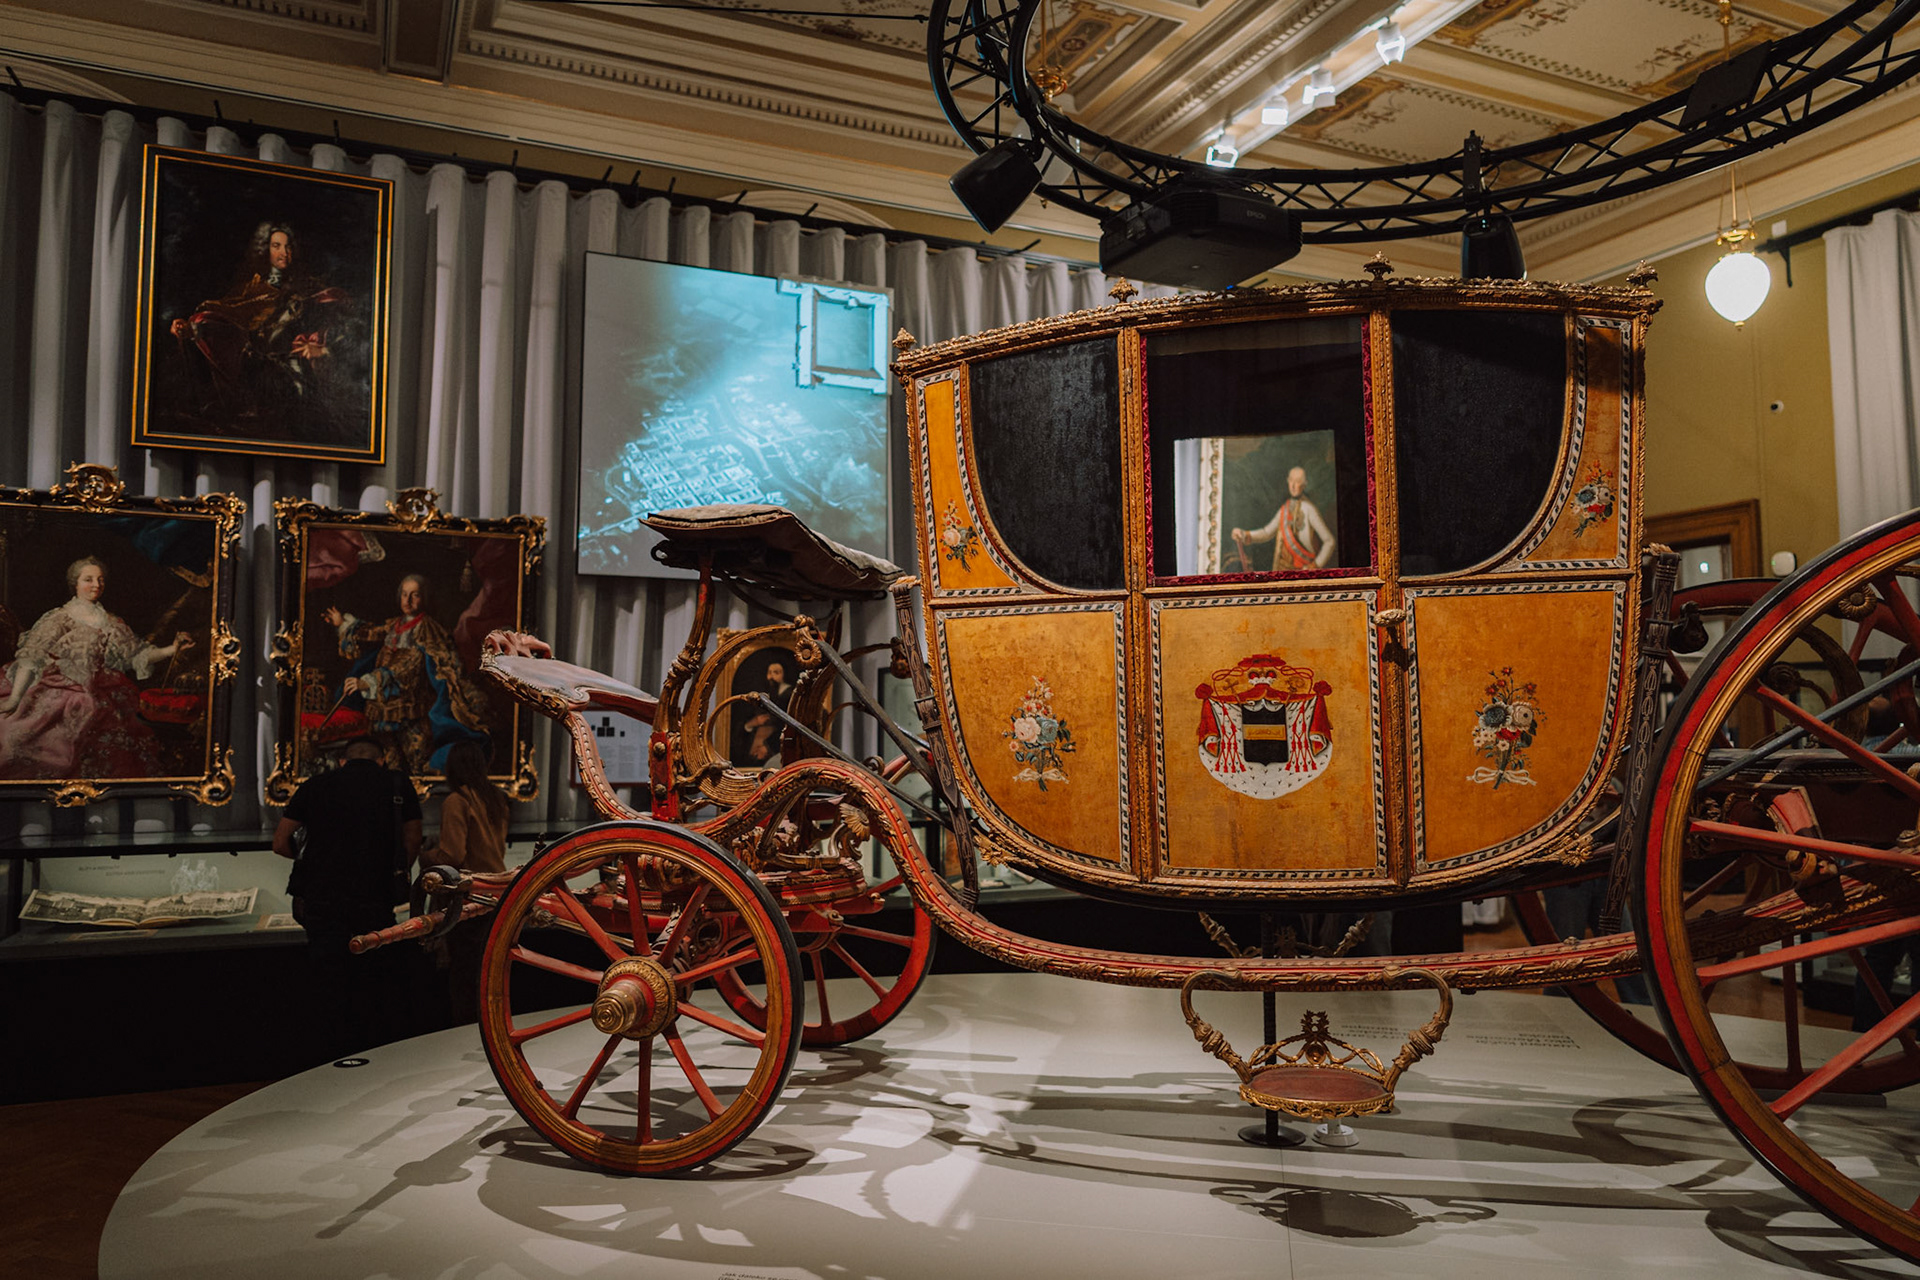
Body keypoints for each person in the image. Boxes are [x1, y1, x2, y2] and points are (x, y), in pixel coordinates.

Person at [274, 735, 423, 1060]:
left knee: (327, 981)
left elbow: (281, 841)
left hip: (322, 902)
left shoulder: (315, 785)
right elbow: (413, 839)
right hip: (375, 899)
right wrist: (396, 871)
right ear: (382, 760)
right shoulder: (397, 785)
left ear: (342, 761)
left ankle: (328, 1055)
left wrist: (315, 863)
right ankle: (371, 1054)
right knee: (373, 979)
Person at [0, 556, 194, 779]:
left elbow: (137, 655)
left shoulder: (111, 622)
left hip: (99, 690)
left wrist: (172, 648)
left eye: (100, 580)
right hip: (58, 687)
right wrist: (15, 698)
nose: (96, 585)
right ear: (75, 583)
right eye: (88, 579)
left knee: (103, 722)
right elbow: (31, 659)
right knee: (22, 737)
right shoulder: (59, 618)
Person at [168, 220, 347, 423]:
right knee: (203, 323)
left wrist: (322, 347)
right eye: (276, 246)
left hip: (286, 358)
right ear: (265, 249)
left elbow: (334, 313)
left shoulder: (307, 286)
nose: (284, 253)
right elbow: (226, 310)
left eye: (288, 246)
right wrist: (188, 326)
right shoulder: (254, 287)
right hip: (251, 355)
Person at [324, 572, 492, 776]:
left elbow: (408, 667)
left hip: (411, 713)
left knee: (418, 766)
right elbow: (371, 632)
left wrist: (369, 682)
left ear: (425, 598)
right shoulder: (395, 625)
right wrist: (343, 623)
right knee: (389, 767)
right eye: (404, 594)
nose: (408, 600)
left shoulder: (428, 630)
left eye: (415, 595)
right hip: (382, 712)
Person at [426, 740, 512, 1024]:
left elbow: (452, 856)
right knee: (487, 976)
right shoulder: (495, 798)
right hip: (497, 896)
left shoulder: (456, 800)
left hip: (469, 899)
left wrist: (425, 855)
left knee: (464, 977)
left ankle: (464, 1033)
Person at [1234, 466, 1336, 571]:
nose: (1293, 486)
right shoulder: (1285, 508)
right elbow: (1267, 532)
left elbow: (1330, 541)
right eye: (1291, 480)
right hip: (1282, 570)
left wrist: (1315, 565)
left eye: (1297, 481)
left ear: (1304, 485)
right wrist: (1245, 534)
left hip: (1303, 572)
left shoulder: (1310, 509)